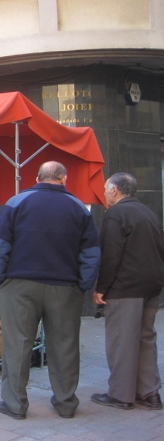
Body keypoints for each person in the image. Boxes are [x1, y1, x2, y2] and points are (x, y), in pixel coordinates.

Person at [0, 161, 100, 420]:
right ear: (64, 178)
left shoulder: (17, 202)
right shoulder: (79, 208)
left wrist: (1, 279)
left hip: (19, 285)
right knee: (65, 346)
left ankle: (15, 405)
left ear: (37, 177)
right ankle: (66, 403)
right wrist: (82, 285)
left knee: (18, 344)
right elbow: (91, 254)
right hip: (64, 286)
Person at [91, 173, 164, 411]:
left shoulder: (116, 214)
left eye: (105, 189)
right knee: (145, 337)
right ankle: (150, 392)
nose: (103, 194)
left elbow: (111, 255)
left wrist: (101, 288)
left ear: (114, 190)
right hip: (152, 285)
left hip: (126, 287)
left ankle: (121, 394)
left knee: (122, 339)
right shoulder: (149, 212)